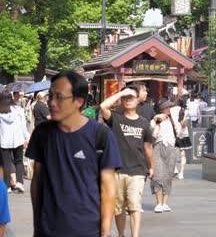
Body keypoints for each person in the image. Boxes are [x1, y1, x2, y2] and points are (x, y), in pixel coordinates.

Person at [26, 70, 122, 237]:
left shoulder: (100, 135)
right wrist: (36, 226)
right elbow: (37, 181)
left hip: (88, 230)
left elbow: (108, 188)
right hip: (49, 230)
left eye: (59, 97)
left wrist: (105, 232)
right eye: (50, 96)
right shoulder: (42, 134)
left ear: (79, 101)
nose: (52, 103)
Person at [100, 86, 154, 237]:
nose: (128, 100)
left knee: (135, 205)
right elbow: (103, 106)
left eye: (131, 97)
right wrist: (122, 92)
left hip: (137, 170)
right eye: (125, 98)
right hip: (117, 169)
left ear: (138, 100)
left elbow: (148, 146)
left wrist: (152, 166)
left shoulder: (144, 122)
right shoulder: (116, 118)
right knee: (118, 208)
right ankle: (122, 234)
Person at [151, 99, 182, 212]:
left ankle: (165, 203)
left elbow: (179, 133)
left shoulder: (172, 120)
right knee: (158, 175)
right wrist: (156, 120)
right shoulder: (155, 120)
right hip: (158, 147)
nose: (169, 109)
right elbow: (152, 132)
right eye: (167, 107)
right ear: (161, 109)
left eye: (169, 107)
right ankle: (158, 203)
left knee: (168, 175)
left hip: (170, 148)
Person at [0, 91, 29, 193]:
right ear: (11, 98)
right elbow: (23, 126)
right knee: (19, 161)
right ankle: (20, 182)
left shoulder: (0, 111)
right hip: (18, 138)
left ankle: (7, 186)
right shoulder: (19, 110)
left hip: (4, 140)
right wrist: (26, 137)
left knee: (6, 163)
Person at [172, 98, 191, 180]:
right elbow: (185, 124)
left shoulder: (171, 110)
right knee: (183, 154)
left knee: (171, 153)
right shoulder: (186, 111)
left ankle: (175, 169)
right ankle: (181, 173)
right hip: (183, 134)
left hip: (173, 133)